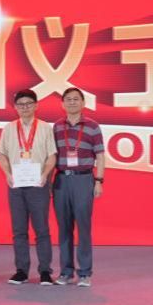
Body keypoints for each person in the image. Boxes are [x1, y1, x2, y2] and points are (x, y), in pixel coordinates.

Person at [0, 88, 57, 285]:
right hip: (17, 184)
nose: (25, 107)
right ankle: (21, 270)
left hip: (38, 184)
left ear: (36, 105)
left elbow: (52, 156)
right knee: (19, 230)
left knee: (42, 230)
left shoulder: (46, 128)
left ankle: (45, 271)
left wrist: (45, 175)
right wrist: (8, 174)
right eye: (21, 104)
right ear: (15, 107)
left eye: (28, 104)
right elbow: (2, 154)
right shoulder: (9, 128)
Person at [51, 87, 106, 287]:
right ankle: (66, 272)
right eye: (68, 99)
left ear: (83, 103)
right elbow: (51, 156)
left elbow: (100, 155)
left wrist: (99, 180)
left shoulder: (93, 126)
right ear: (62, 104)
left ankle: (84, 273)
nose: (72, 102)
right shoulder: (56, 127)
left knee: (83, 227)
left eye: (76, 99)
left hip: (84, 180)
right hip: (61, 180)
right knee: (64, 227)